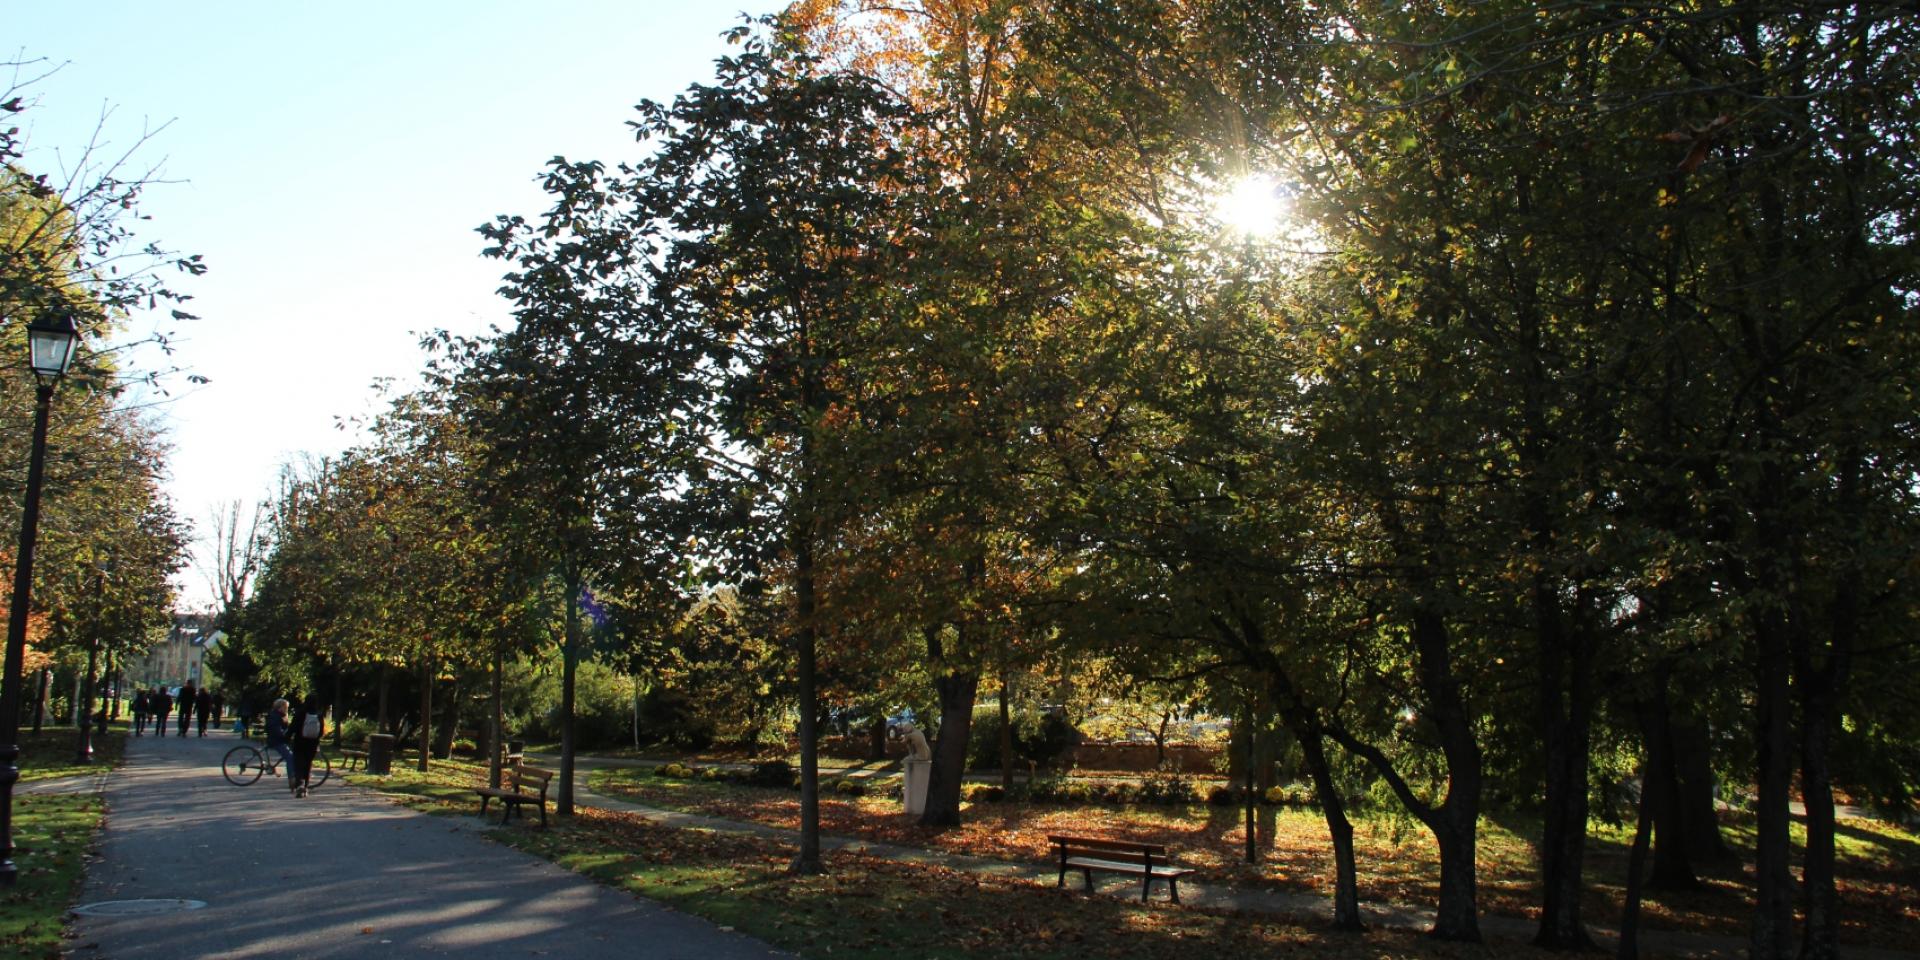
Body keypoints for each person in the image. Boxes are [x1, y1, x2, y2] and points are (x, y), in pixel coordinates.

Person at [288, 695, 325, 798]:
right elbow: (321, 731)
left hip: (300, 742)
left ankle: (300, 784)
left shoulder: (301, 712)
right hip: (312, 743)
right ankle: (305, 787)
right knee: (308, 765)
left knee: (298, 764)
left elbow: (293, 727)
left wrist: (287, 737)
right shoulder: (319, 714)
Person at [264, 698, 295, 784]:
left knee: (291, 754)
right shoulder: (275, 716)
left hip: (278, 740)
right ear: (280, 707)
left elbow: (285, 728)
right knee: (290, 757)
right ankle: (291, 779)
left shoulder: (280, 715)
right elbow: (277, 730)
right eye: (285, 707)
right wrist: (285, 735)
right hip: (276, 741)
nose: (287, 709)